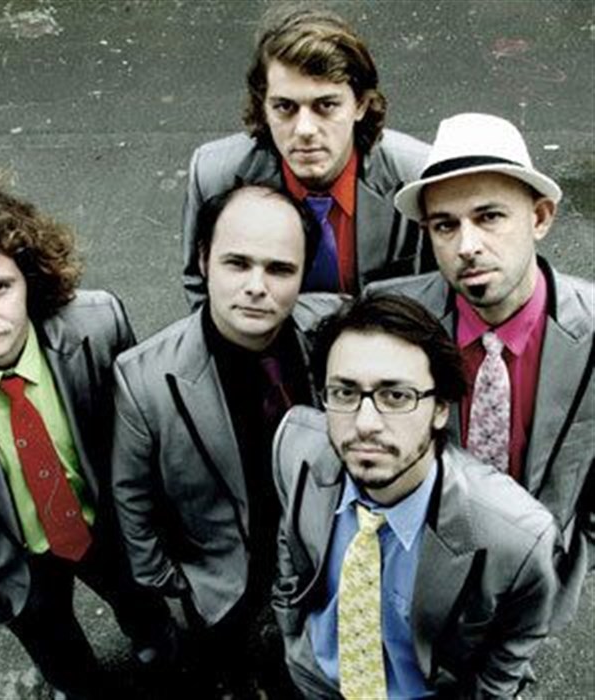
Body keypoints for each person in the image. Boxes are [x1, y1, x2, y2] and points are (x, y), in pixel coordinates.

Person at [0, 174, 171, 700]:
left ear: (30, 279)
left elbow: (140, 433)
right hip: (16, 557)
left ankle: (158, 657)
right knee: (65, 664)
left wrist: (146, 520)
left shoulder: (98, 326)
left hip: (106, 526)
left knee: (150, 621)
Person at [112, 184, 343, 698]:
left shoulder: (334, 330)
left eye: (279, 269)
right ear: (203, 259)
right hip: (224, 584)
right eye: (237, 263)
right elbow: (132, 499)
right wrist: (172, 585)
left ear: (304, 272)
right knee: (233, 669)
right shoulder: (144, 378)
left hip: (323, 563)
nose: (257, 287)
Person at [368, 112, 594, 629]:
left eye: (489, 216)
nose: (466, 246)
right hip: (418, 569)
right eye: (445, 225)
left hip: (537, 574)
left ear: (540, 217)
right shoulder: (391, 318)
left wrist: (565, 561)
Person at [272, 294, 559, 699]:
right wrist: (291, 635)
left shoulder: (517, 537)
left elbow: (513, 645)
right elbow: (290, 546)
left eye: (396, 396)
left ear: (440, 408)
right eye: (344, 393)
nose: (365, 423)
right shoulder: (295, 447)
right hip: (316, 676)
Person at [181, 6, 432, 308]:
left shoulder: (416, 174)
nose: (305, 130)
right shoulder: (215, 175)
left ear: (361, 105)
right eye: (285, 107)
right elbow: (200, 286)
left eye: (326, 106)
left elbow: (439, 292)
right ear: (263, 107)